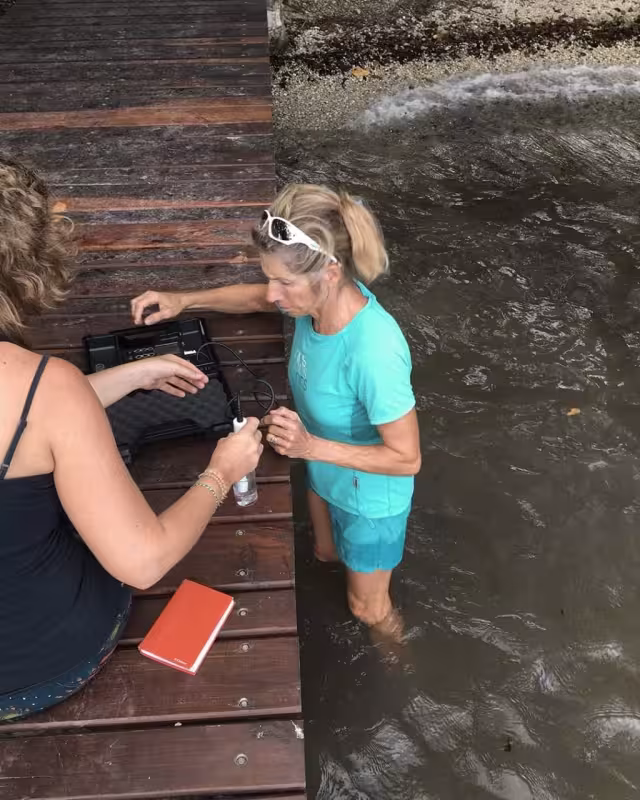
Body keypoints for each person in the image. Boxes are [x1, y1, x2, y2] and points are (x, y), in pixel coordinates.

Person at [0, 156, 263, 721]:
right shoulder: (48, 389)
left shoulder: (54, 395)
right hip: (33, 671)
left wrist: (134, 374)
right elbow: (142, 563)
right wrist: (223, 471)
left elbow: (34, 419)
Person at [131, 183, 421, 627]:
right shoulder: (313, 303)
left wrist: (309, 448)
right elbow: (253, 298)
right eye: (270, 278)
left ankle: (400, 662)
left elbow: (407, 459)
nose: (271, 295)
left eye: (283, 283)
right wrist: (183, 300)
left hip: (371, 498)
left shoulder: (373, 352)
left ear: (329, 272)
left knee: (368, 609)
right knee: (324, 552)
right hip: (324, 467)